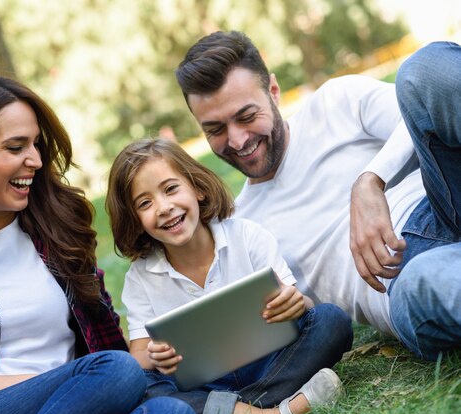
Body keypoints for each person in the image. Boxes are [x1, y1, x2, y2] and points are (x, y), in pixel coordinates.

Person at [0, 73, 196, 414]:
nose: (36, 161)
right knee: (113, 371)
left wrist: (154, 353)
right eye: (16, 147)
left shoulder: (57, 225)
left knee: (168, 411)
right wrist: (63, 380)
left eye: (36, 145)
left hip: (80, 403)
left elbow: (110, 349)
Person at [175, 31, 461, 360]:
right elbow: (286, 321)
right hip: (409, 279)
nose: (238, 140)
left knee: (425, 68)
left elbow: (426, 111)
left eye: (247, 116)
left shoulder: (336, 101)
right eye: (216, 129)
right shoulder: (241, 228)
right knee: (422, 282)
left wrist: (371, 180)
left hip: (443, 198)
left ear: (273, 91)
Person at [105, 138, 353, 414]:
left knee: (331, 320)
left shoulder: (247, 235)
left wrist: (297, 302)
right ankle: (273, 412)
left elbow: (299, 304)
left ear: (197, 188)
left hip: (272, 361)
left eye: (171, 189)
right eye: (145, 203)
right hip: (202, 381)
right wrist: (154, 354)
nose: (163, 207)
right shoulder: (140, 278)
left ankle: (228, 410)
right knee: (145, 385)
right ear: (134, 218)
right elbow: (139, 355)